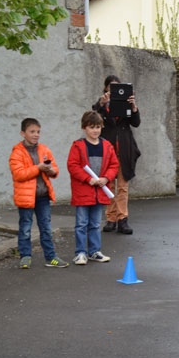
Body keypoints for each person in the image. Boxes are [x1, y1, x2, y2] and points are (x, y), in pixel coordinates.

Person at [9, 118, 68, 269]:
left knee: (46, 228)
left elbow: (55, 169)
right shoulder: (17, 152)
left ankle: (51, 257)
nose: (36, 135)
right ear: (23, 133)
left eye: (38, 132)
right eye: (32, 132)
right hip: (26, 198)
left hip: (42, 196)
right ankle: (25, 256)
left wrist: (51, 170)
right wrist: (38, 168)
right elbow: (19, 174)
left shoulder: (44, 150)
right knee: (25, 228)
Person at [67, 111, 118, 265]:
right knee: (81, 224)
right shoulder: (78, 146)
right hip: (83, 191)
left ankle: (94, 251)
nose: (95, 130)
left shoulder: (107, 146)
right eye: (91, 127)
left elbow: (114, 165)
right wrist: (88, 179)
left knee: (95, 224)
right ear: (84, 128)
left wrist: (106, 178)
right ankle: (80, 252)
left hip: (99, 192)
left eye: (98, 127)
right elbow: (73, 165)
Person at [92, 75, 141, 235]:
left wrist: (134, 107)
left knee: (123, 187)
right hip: (108, 151)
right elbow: (93, 119)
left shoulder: (126, 103)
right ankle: (110, 219)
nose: (114, 90)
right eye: (111, 87)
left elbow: (136, 122)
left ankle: (122, 219)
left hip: (124, 150)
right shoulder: (101, 105)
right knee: (108, 185)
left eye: (117, 87)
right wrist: (101, 104)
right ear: (106, 88)